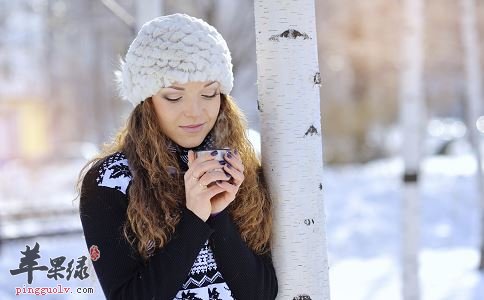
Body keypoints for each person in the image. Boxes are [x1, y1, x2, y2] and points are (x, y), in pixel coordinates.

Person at [77, 13, 277, 300]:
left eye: (209, 94)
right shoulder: (110, 182)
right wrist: (194, 218)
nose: (195, 112)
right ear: (146, 102)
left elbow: (261, 293)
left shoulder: (237, 167)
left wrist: (219, 214)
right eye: (174, 97)